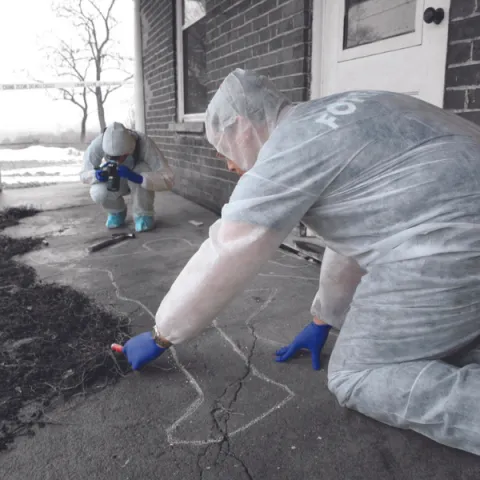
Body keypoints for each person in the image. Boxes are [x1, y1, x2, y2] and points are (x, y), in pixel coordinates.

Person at [120, 69, 480, 455]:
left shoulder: (286, 153)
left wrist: (162, 333)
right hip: (456, 228)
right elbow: (357, 233)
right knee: (442, 343)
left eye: (224, 150)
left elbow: (228, 251)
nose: (228, 165)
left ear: (242, 127)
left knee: (358, 375)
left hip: (453, 245)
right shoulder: (348, 106)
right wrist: (324, 316)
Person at [80, 122, 174, 232]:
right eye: (111, 157)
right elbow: (84, 173)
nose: (116, 161)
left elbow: (168, 178)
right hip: (116, 179)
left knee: (142, 168)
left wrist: (138, 178)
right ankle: (116, 211)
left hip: (137, 179)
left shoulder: (144, 143)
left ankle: (143, 214)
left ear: (130, 150)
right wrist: (96, 175)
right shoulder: (98, 143)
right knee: (98, 191)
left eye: (120, 157)